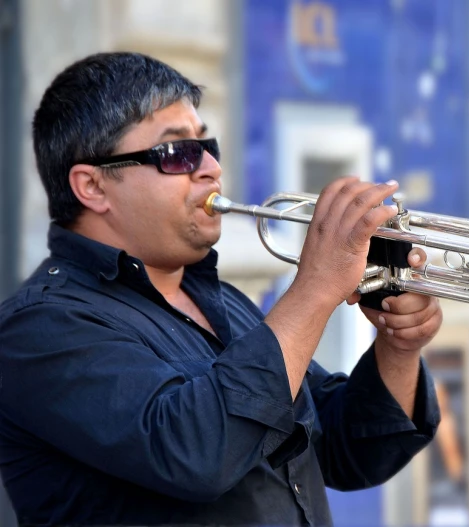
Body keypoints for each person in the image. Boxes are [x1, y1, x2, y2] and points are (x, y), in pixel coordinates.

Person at [0, 52, 443, 525]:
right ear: (92, 187)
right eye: (177, 153)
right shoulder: (39, 330)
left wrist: (398, 346)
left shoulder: (224, 302)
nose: (210, 166)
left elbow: (343, 449)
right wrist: (316, 287)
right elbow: (197, 453)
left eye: (206, 145)